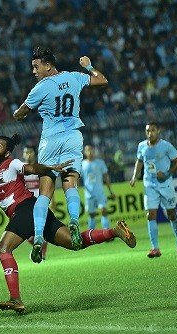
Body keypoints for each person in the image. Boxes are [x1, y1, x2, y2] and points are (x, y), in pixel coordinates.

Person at [0, 134, 136, 313]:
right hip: (35, 210)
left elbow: (30, 167)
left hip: (26, 208)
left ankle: (16, 298)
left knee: (3, 249)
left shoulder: (12, 164)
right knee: (74, 244)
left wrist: (49, 168)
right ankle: (114, 231)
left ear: (7, 153)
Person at [13, 46, 109, 261]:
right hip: (73, 137)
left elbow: (20, 113)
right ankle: (74, 221)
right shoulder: (75, 77)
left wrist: (19, 113)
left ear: (48, 66)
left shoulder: (40, 87)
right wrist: (89, 66)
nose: (34, 71)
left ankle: (38, 238)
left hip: (50, 141)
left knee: (44, 192)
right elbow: (102, 80)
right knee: (70, 184)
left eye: (36, 66)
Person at [130, 122, 177, 258]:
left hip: (165, 184)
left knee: (172, 215)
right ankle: (155, 248)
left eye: (153, 130)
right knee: (150, 215)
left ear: (158, 131)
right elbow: (139, 162)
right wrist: (134, 177)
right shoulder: (141, 146)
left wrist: (167, 173)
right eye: (148, 131)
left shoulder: (166, 145)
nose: (150, 133)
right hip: (149, 184)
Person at [23, 146, 50, 260]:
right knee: (27, 236)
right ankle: (38, 248)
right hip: (25, 205)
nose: (28, 154)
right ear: (23, 154)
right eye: (26, 152)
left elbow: (47, 185)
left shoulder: (39, 168)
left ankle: (42, 254)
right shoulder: (20, 169)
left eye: (30, 152)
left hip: (40, 203)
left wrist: (51, 201)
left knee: (42, 230)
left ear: (34, 154)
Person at [81, 145, 116, 229]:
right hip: (88, 194)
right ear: (85, 152)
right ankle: (91, 235)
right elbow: (78, 178)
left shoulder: (100, 162)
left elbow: (106, 177)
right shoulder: (82, 164)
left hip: (99, 192)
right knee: (92, 214)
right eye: (88, 150)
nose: (90, 152)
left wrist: (110, 191)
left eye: (91, 150)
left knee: (103, 210)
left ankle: (106, 232)